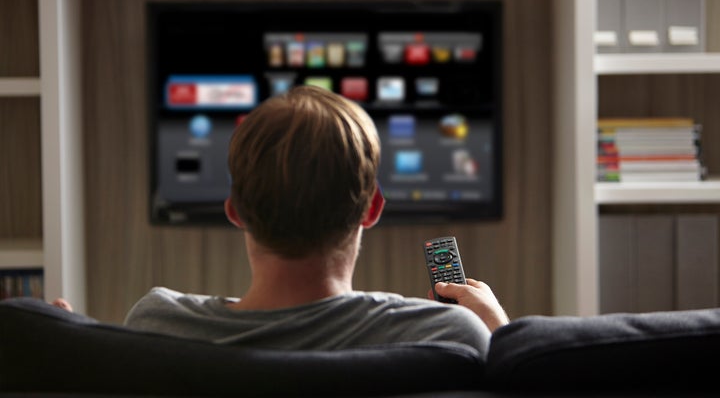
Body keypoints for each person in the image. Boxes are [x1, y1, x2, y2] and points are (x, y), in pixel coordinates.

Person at [58, 85, 509, 351]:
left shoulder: (156, 325)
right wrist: (503, 338)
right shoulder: (447, 334)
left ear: (234, 210)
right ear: (372, 208)